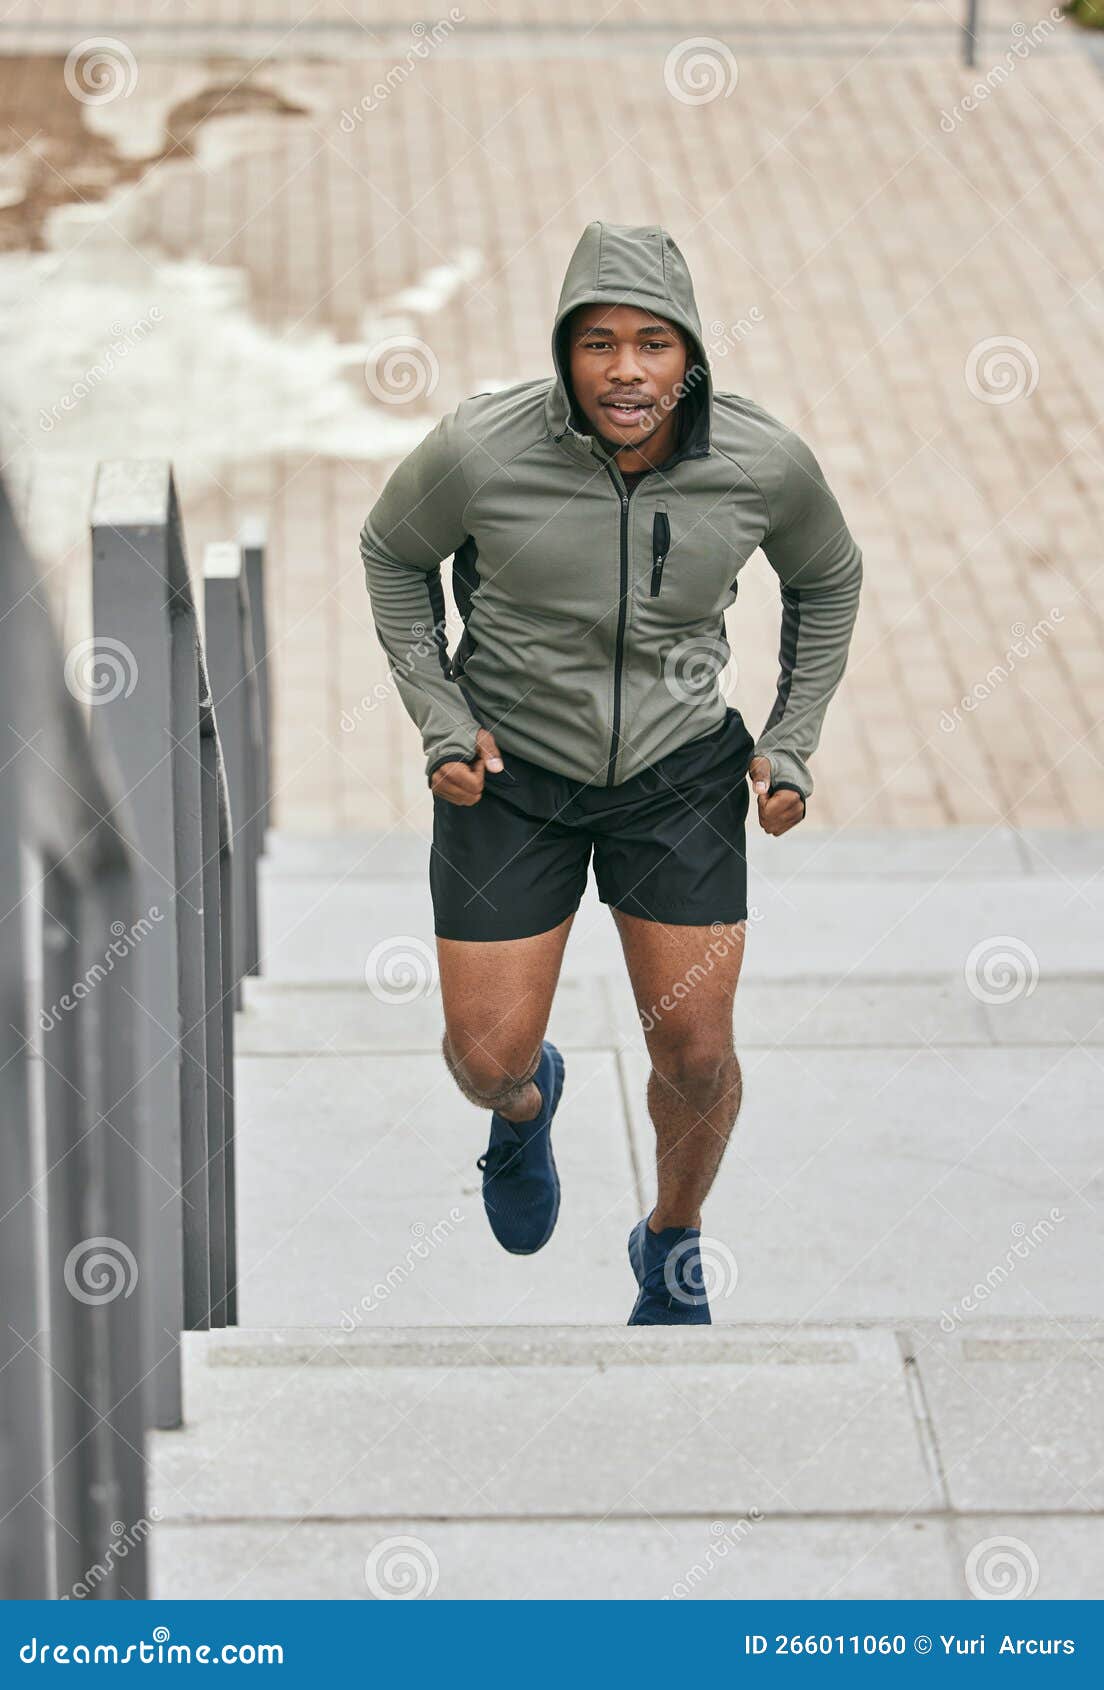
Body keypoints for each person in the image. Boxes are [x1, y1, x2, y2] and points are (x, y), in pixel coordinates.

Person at [360, 220, 862, 1324]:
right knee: (484, 1058)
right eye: (598, 343)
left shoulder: (758, 461)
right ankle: (527, 1108)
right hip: (512, 777)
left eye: (652, 344)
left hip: (678, 777)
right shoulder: (482, 449)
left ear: (690, 357)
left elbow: (829, 579)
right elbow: (393, 554)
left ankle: (672, 1239)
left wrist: (793, 736)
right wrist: (440, 712)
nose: (626, 371)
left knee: (695, 1051)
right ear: (563, 351)